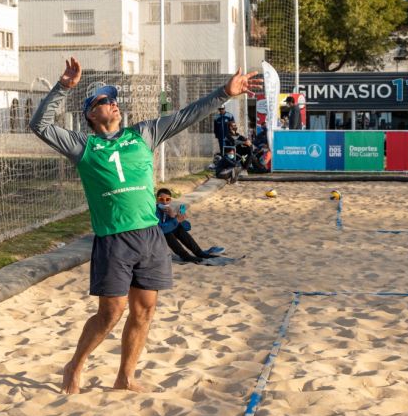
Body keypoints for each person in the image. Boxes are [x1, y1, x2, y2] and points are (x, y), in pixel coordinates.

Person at [30, 57, 262, 394]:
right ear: (92, 115)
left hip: (150, 236)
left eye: (113, 99)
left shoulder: (143, 134)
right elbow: (40, 126)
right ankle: (75, 364)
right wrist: (63, 87)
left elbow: (185, 116)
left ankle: (125, 376)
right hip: (114, 239)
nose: (113, 103)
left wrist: (223, 93)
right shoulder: (84, 146)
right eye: (104, 101)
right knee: (111, 313)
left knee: (144, 309)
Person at [155, 188, 224, 263]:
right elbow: (160, 229)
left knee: (178, 228)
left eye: (167, 199)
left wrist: (176, 218)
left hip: (162, 233)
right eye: (161, 199)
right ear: (157, 200)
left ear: (170, 200)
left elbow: (187, 228)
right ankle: (185, 256)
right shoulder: (154, 211)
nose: (164, 202)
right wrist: (176, 220)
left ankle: (199, 253)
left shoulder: (169, 211)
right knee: (167, 232)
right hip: (153, 237)